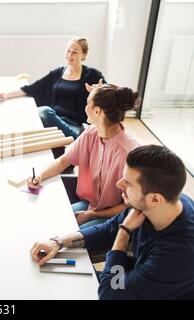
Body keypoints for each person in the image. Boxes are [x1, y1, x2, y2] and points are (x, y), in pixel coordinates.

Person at [30, 145, 194, 299]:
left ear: (155, 199)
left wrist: (124, 231)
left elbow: (110, 295)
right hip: (133, 279)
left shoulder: (176, 256)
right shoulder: (160, 203)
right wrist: (58, 242)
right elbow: (109, 229)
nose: (119, 184)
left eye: (128, 183)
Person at [28, 84, 140, 228]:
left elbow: (130, 206)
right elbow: (63, 162)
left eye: (88, 103)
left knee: (67, 234)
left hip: (115, 216)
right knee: (52, 222)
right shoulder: (91, 133)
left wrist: (92, 215)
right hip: (91, 204)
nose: (85, 107)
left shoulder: (128, 152)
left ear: (97, 111)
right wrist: (40, 176)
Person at [0, 37, 105, 139]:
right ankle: (78, 143)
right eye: (68, 51)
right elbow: (33, 88)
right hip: (53, 121)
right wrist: (6, 95)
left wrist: (101, 90)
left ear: (84, 55)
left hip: (74, 126)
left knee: (44, 111)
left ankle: (78, 141)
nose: (70, 55)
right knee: (38, 113)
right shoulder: (58, 73)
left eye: (75, 52)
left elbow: (112, 94)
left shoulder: (91, 74)